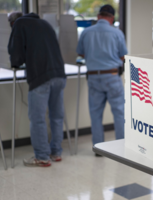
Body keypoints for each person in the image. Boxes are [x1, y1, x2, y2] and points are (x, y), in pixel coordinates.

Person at [8, 12, 67, 167]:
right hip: (59, 74)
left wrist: (15, 62)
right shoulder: (45, 24)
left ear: (12, 23)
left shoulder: (19, 24)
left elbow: (16, 55)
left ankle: (42, 156)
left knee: (37, 118)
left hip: (41, 76)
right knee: (56, 116)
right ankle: (56, 152)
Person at [76, 5, 127, 152]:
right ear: (111, 18)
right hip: (112, 76)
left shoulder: (86, 32)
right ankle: (121, 148)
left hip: (93, 77)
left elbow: (81, 53)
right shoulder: (117, 33)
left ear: (98, 16)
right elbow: (123, 56)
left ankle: (98, 148)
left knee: (95, 114)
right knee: (119, 113)